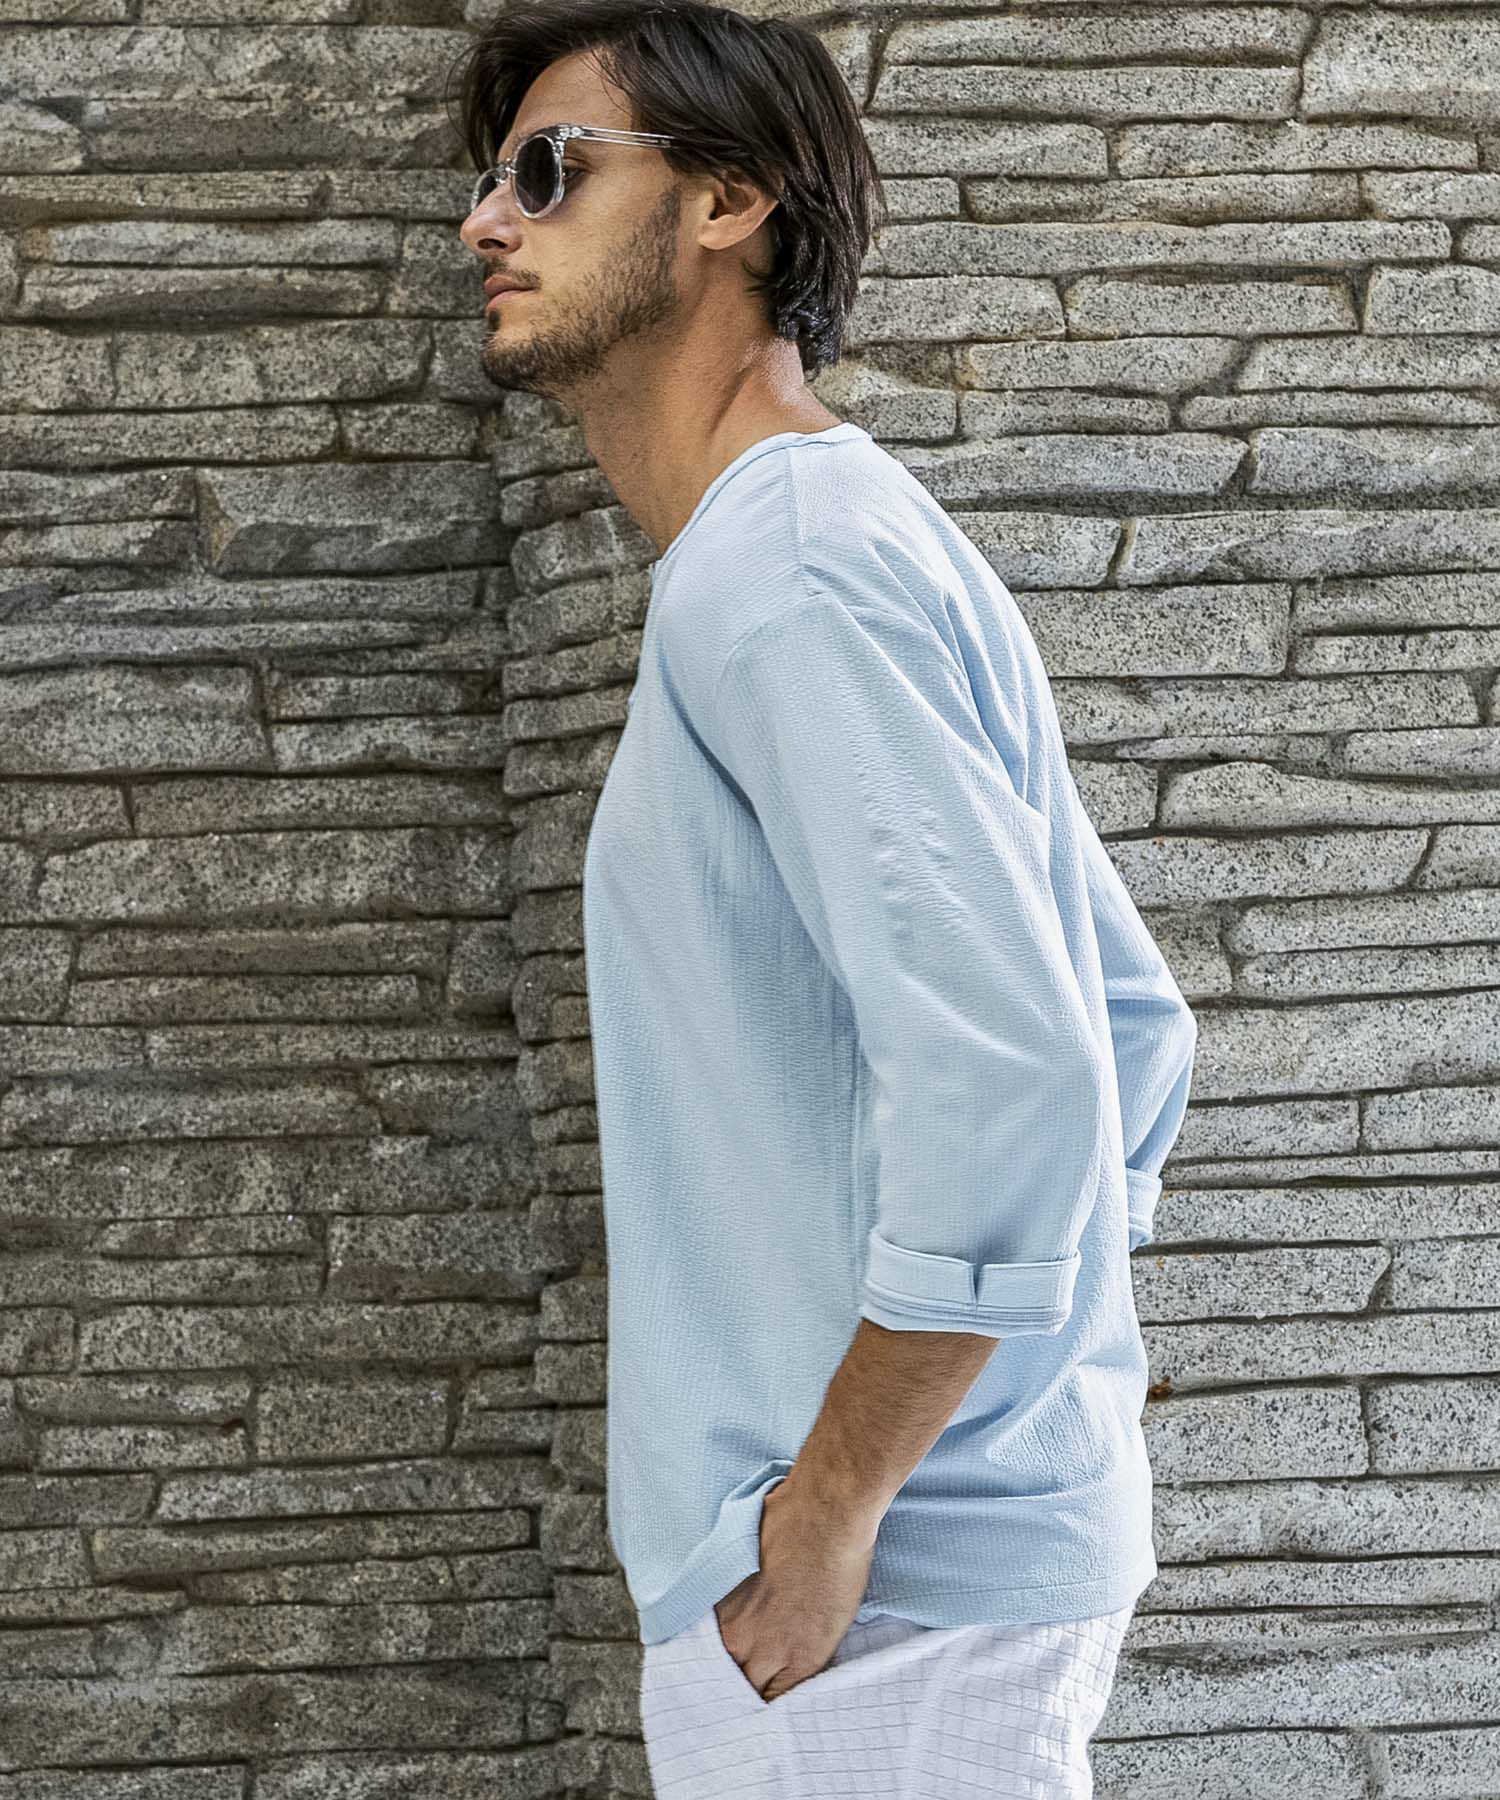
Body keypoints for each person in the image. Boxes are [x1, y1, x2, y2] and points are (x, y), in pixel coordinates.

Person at [452, 4, 1199, 1793]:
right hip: (902, 1584)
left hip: (867, 1610)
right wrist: (1020, 1374)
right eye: (491, 181)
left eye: (548, 171)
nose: (484, 223)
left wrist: (840, 1507)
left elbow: (1021, 1081)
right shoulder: (801, 546)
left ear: (731, 203)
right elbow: (1128, 1028)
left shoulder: (789, 575)